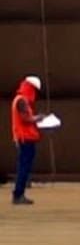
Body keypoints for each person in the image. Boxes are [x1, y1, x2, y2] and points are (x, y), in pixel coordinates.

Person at [11, 75, 42, 206]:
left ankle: (19, 193)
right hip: (26, 139)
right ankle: (18, 194)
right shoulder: (22, 101)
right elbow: (26, 119)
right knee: (24, 167)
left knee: (23, 166)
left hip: (24, 138)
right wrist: (38, 118)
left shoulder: (20, 100)